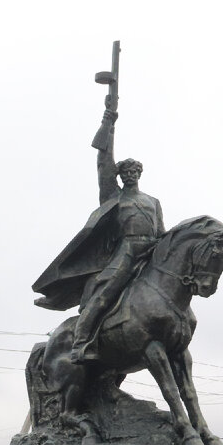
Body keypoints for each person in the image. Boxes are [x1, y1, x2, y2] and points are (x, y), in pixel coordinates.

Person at [70, 109, 165, 362]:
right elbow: (103, 162)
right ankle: (80, 344)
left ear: (139, 174)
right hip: (126, 251)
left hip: (151, 250)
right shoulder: (114, 196)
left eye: (134, 172)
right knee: (104, 294)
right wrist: (107, 123)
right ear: (120, 177)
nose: (130, 175)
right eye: (125, 172)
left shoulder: (153, 201)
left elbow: (162, 233)